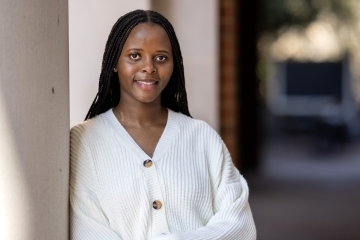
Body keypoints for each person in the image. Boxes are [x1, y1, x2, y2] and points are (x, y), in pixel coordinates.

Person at [70, 9, 256, 240]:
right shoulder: (83, 141)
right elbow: (86, 229)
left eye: (160, 57)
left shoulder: (202, 138)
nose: (149, 67)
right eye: (135, 56)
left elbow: (239, 226)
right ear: (114, 62)